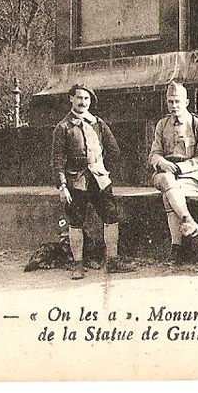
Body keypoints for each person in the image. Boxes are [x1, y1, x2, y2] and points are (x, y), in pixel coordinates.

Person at [51, 84, 136, 279]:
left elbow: (114, 149)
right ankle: (78, 264)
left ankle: (113, 261)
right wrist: (63, 185)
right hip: (76, 181)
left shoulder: (98, 123)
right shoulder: (63, 127)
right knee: (76, 222)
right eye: (79, 98)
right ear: (71, 99)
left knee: (111, 217)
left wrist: (103, 168)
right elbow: (57, 159)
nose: (82, 102)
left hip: (99, 179)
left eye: (86, 99)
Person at [149, 82, 198, 265]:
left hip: (190, 175)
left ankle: (176, 247)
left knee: (169, 194)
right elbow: (154, 154)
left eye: (177, 101)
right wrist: (163, 162)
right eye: (170, 102)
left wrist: (181, 168)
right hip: (164, 173)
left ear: (186, 102)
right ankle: (188, 219)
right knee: (167, 180)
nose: (174, 106)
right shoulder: (162, 124)